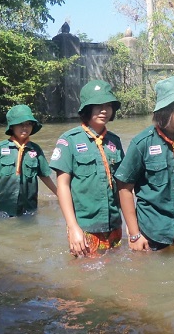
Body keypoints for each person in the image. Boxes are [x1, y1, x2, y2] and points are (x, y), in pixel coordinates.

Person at [115, 76, 174, 255]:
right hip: (153, 224)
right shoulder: (142, 143)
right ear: (164, 110)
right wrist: (134, 234)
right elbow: (124, 188)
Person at [50, 80, 124, 257]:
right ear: (87, 109)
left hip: (114, 225)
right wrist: (73, 227)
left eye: (108, 105)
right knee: (86, 277)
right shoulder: (69, 140)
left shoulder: (115, 141)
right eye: (98, 105)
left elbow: (123, 185)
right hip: (85, 227)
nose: (104, 110)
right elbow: (63, 186)